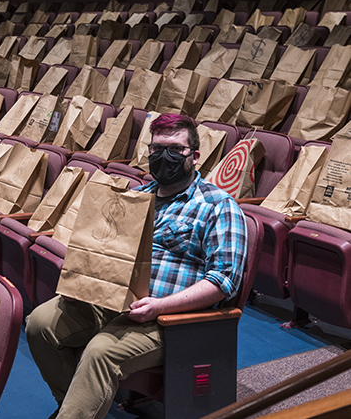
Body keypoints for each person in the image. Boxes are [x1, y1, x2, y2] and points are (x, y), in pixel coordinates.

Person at [26, 113, 248, 419]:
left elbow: (224, 281)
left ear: (195, 156)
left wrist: (159, 307)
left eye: (174, 150)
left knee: (100, 352)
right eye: (156, 150)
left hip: (169, 317)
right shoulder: (135, 198)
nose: (163, 157)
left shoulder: (218, 205)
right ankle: (74, 409)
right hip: (114, 302)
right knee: (40, 323)